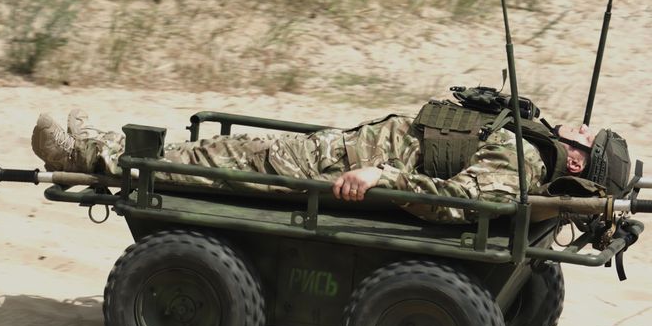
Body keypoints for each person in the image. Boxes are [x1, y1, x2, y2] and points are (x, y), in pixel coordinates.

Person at [31, 108, 602, 223]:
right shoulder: (527, 143)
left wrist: (385, 178)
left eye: (584, 136)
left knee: (221, 160)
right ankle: (100, 142)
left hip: (354, 164)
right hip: (360, 148)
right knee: (234, 153)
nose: (576, 124)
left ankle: (86, 153)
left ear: (575, 158)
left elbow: (463, 204)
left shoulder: (521, 159)